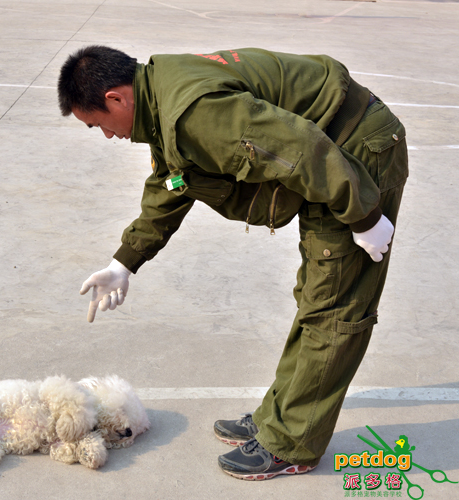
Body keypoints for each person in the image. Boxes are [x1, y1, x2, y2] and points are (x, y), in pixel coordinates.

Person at [57, 46, 408, 480]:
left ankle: (293, 443)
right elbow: (174, 181)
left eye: (98, 126)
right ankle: (278, 418)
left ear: (115, 98)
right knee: (317, 298)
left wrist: (364, 215)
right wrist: (123, 262)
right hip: (331, 159)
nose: (107, 136)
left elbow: (298, 149)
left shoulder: (193, 111)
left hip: (353, 157)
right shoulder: (161, 97)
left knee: (335, 307)